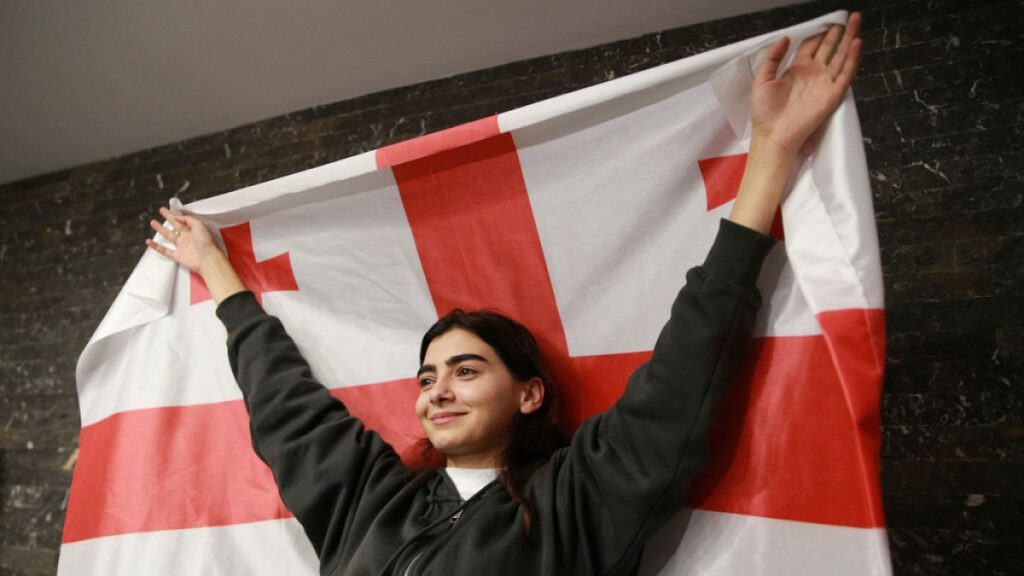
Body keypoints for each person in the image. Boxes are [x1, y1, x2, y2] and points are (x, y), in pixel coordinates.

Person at [147, 15, 861, 576]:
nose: (436, 391)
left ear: (529, 394)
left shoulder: (577, 501)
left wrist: (770, 152)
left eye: (465, 369)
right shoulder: (369, 500)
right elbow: (286, 407)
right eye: (427, 377)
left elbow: (686, 370)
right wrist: (218, 272)